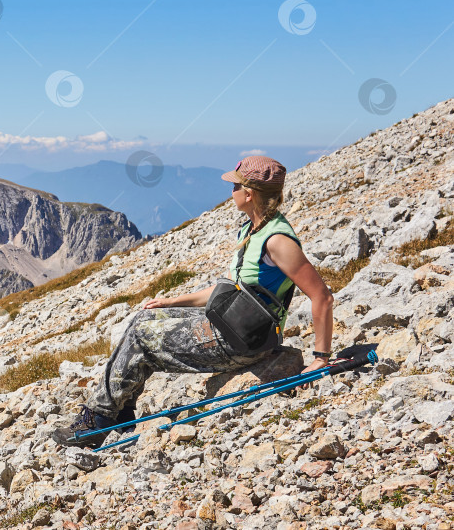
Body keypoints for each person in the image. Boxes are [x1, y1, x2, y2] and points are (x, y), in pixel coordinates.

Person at [52, 156, 334, 448]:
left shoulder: (276, 240)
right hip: (230, 326)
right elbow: (227, 290)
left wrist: (320, 359)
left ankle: (97, 423)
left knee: (141, 337)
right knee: (142, 321)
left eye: (235, 186)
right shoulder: (251, 231)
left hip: (244, 341)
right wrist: (172, 302)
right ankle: (120, 412)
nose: (231, 192)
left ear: (249, 194)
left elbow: (322, 297)